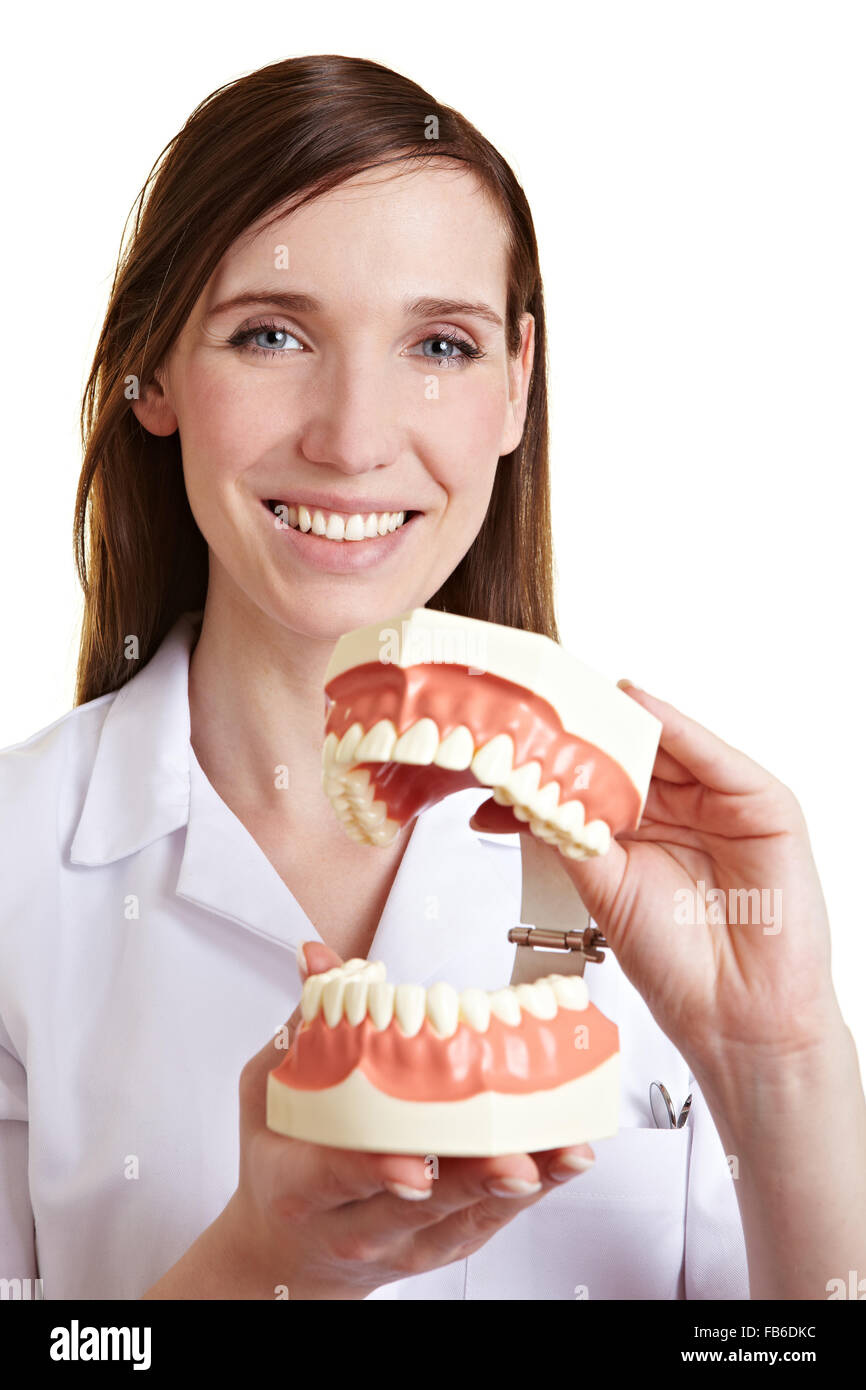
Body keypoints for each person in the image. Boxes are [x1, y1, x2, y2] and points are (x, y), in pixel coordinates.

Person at [1, 54, 863, 1302]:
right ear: (154, 374)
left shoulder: (677, 872)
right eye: (270, 332)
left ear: (516, 382)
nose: (353, 437)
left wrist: (777, 1063)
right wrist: (262, 1269)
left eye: (439, 344)